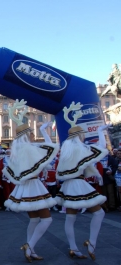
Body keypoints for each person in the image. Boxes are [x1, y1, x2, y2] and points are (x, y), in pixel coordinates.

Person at [2, 100, 59, 262]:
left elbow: (11, 172)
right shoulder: (30, 148)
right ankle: (29, 245)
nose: (34, 135)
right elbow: (51, 148)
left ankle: (30, 250)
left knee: (34, 219)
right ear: (27, 134)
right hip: (33, 185)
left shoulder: (17, 151)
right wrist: (45, 131)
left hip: (24, 187)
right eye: (32, 133)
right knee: (47, 219)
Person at [55, 102, 109, 260]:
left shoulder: (66, 152)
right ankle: (91, 243)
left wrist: (96, 174)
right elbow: (102, 149)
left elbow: (80, 167)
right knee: (99, 213)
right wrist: (100, 131)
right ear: (79, 136)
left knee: (70, 218)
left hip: (68, 187)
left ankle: (73, 248)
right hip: (79, 186)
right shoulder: (81, 149)